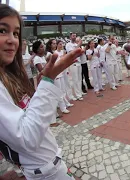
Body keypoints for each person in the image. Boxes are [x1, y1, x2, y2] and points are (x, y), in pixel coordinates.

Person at [0, 4, 83, 179]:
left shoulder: (9, 75)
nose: (12, 40)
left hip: (48, 166)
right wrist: (48, 80)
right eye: (2, 30)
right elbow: (27, 137)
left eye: (15, 33)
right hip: (44, 173)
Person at [54, 40, 74, 113]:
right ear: (57, 45)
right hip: (57, 73)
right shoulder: (55, 53)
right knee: (59, 90)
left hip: (62, 72)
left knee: (63, 89)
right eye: (59, 44)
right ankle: (62, 108)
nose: (61, 45)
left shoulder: (62, 52)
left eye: (62, 44)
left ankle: (66, 103)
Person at [66, 34, 83, 101]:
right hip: (73, 63)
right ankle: (78, 95)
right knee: (75, 80)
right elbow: (72, 53)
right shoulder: (68, 45)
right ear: (70, 37)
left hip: (79, 62)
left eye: (75, 36)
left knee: (79, 79)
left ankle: (80, 92)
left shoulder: (76, 45)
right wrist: (78, 45)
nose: (74, 37)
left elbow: (80, 53)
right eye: (73, 36)